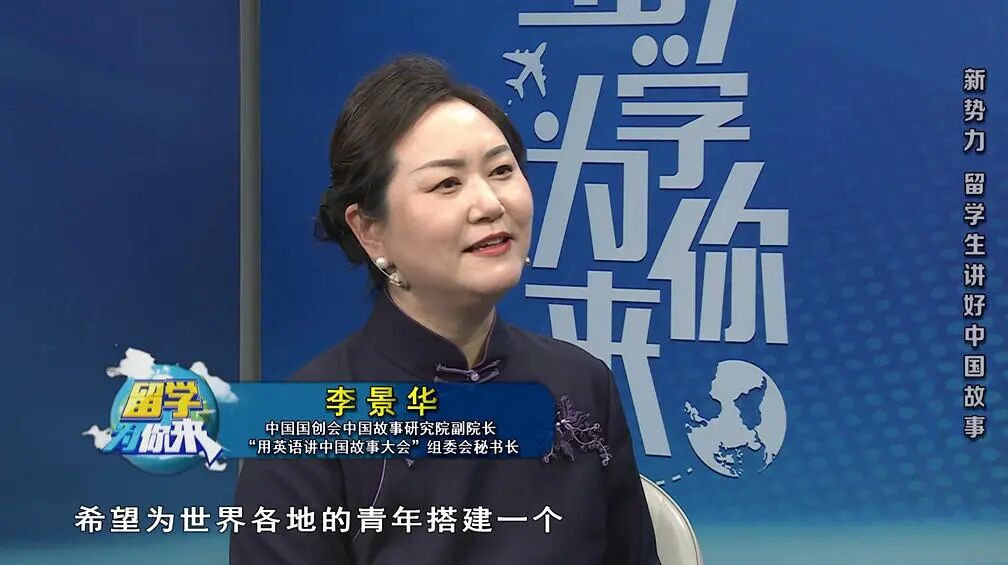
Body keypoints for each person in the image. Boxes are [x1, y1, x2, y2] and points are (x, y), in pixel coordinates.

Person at [230, 55, 661, 565]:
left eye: (501, 171)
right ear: (370, 230)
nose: (490, 204)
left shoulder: (583, 383)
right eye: (447, 184)